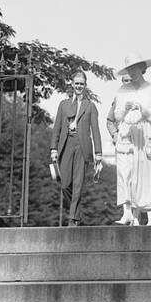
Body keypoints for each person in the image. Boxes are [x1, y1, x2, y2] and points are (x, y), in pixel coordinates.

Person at [109, 53, 151, 225]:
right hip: (126, 134)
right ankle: (126, 211)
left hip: (143, 133)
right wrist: (126, 110)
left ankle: (137, 213)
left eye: (135, 68)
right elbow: (117, 115)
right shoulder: (122, 90)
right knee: (124, 172)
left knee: (141, 175)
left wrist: (143, 110)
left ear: (142, 68)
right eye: (129, 69)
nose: (132, 72)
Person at [50, 71, 102, 226]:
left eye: (82, 83)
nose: (79, 86)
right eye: (76, 83)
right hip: (66, 145)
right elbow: (57, 128)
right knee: (65, 184)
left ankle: (73, 218)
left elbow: (96, 130)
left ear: (85, 86)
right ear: (72, 84)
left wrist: (98, 153)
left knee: (78, 183)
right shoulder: (63, 104)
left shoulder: (90, 106)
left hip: (82, 147)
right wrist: (53, 149)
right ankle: (77, 212)